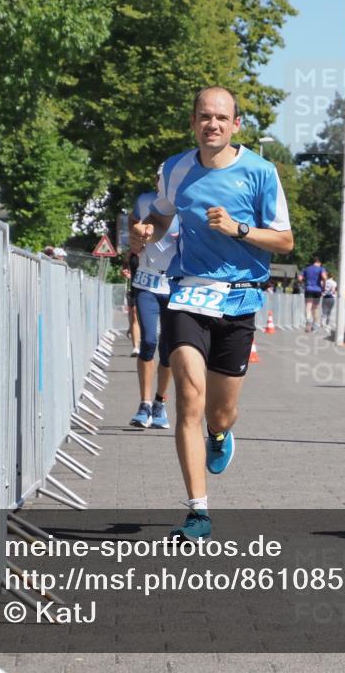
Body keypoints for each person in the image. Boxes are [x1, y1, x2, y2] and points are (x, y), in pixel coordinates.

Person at [131, 86, 293, 541]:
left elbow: (285, 241)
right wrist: (149, 228)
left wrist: (240, 229)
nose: (213, 125)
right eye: (205, 116)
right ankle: (197, 510)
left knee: (220, 413)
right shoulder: (176, 168)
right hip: (188, 294)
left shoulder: (261, 173)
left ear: (236, 124)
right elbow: (163, 215)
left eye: (222, 118)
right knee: (189, 395)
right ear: (193, 121)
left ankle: (220, 436)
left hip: (240, 299)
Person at [127, 188, 179, 429]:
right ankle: (144, 403)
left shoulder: (187, 204)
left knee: (168, 351)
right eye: (160, 179)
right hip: (146, 281)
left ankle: (159, 402)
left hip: (173, 285)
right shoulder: (145, 200)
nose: (163, 185)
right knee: (149, 341)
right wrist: (134, 242)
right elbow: (132, 224)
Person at [121, 250, 142, 357]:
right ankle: (136, 347)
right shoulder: (130, 253)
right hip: (135, 288)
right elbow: (124, 268)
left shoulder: (153, 250)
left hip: (151, 288)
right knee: (134, 314)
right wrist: (125, 273)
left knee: (142, 318)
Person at [299, 256, 324, 331]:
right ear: (318, 262)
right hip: (317, 290)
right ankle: (315, 324)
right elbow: (324, 277)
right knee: (315, 308)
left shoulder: (306, 269)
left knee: (308, 306)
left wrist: (304, 282)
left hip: (308, 289)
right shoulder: (321, 269)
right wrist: (323, 286)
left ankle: (308, 320)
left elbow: (300, 278)